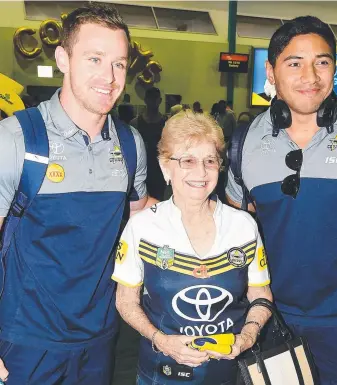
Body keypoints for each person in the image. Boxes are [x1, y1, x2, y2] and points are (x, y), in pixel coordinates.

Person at [226, 16, 337, 385]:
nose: (310, 76)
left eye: (322, 62)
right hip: (268, 322)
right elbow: (234, 239)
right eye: (294, 63)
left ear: (334, 68)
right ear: (272, 70)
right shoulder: (243, 143)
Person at [0, 4, 155, 384]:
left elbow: (142, 216)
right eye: (95, 59)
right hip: (26, 342)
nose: (109, 76)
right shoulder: (16, 139)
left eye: (119, 63)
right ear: (63, 58)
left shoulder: (131, 144)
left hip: (100, 340)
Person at [113, 110, 273, 385]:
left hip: (229, 373)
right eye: (187, 160)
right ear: (165, 167)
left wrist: (246, 337)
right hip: (161, 373)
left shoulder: (243, 225)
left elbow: (261, 294)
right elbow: (125, 301)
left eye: (210, 161)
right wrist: (160, 340)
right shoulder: (143, 228)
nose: (200, 172)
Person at [130, 87, 167, 200]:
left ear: (159, 100)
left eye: (155, 99)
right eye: (150, 99)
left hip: (159, 172)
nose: (152, 102)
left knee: (157, 203)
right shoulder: (135, 123)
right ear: (145, 100)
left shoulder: (166, 124)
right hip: (140, 171)